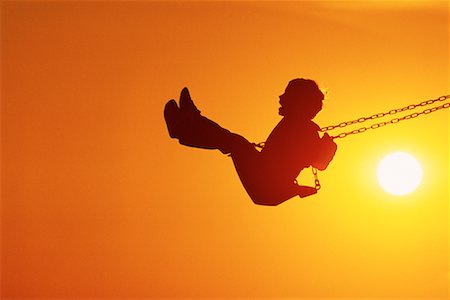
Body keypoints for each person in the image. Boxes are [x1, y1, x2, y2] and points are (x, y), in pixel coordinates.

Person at [164, 78, 337, 206]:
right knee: (236, 143)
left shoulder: (304, 129)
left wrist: (326, 147)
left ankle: (188, 125)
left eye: (287, 94)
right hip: (266, 182)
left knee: (236, 143)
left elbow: (318, 163)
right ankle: (189, 124)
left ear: (299, 102)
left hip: (268, 186)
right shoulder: (295, 125)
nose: (280, 97)